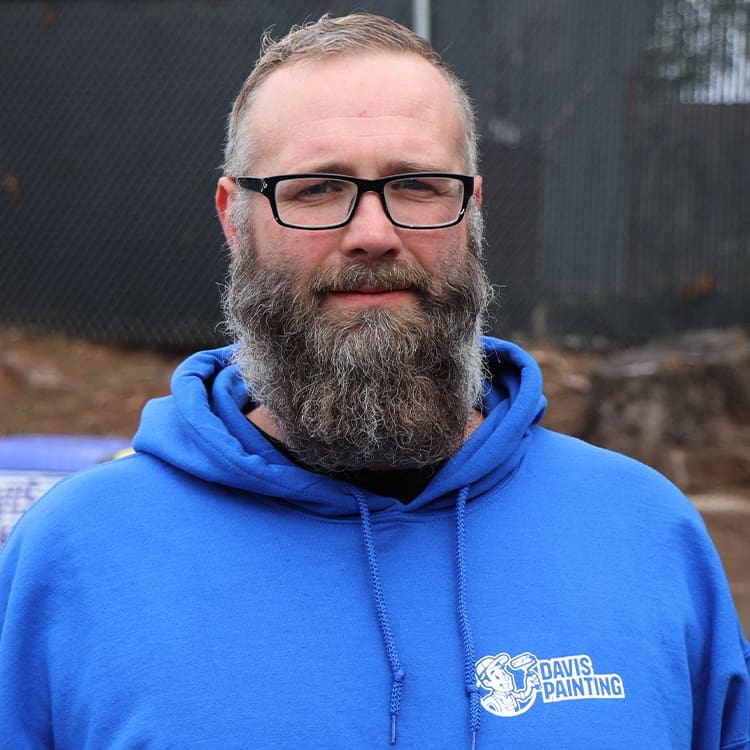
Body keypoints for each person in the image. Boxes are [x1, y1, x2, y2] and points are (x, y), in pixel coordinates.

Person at [0, 12, 748, 750]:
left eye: (418, 184)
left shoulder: (647, 534)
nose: (373, 234)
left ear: (471, 212)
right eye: (316, 188)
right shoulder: (74, 559)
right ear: (236, 219)